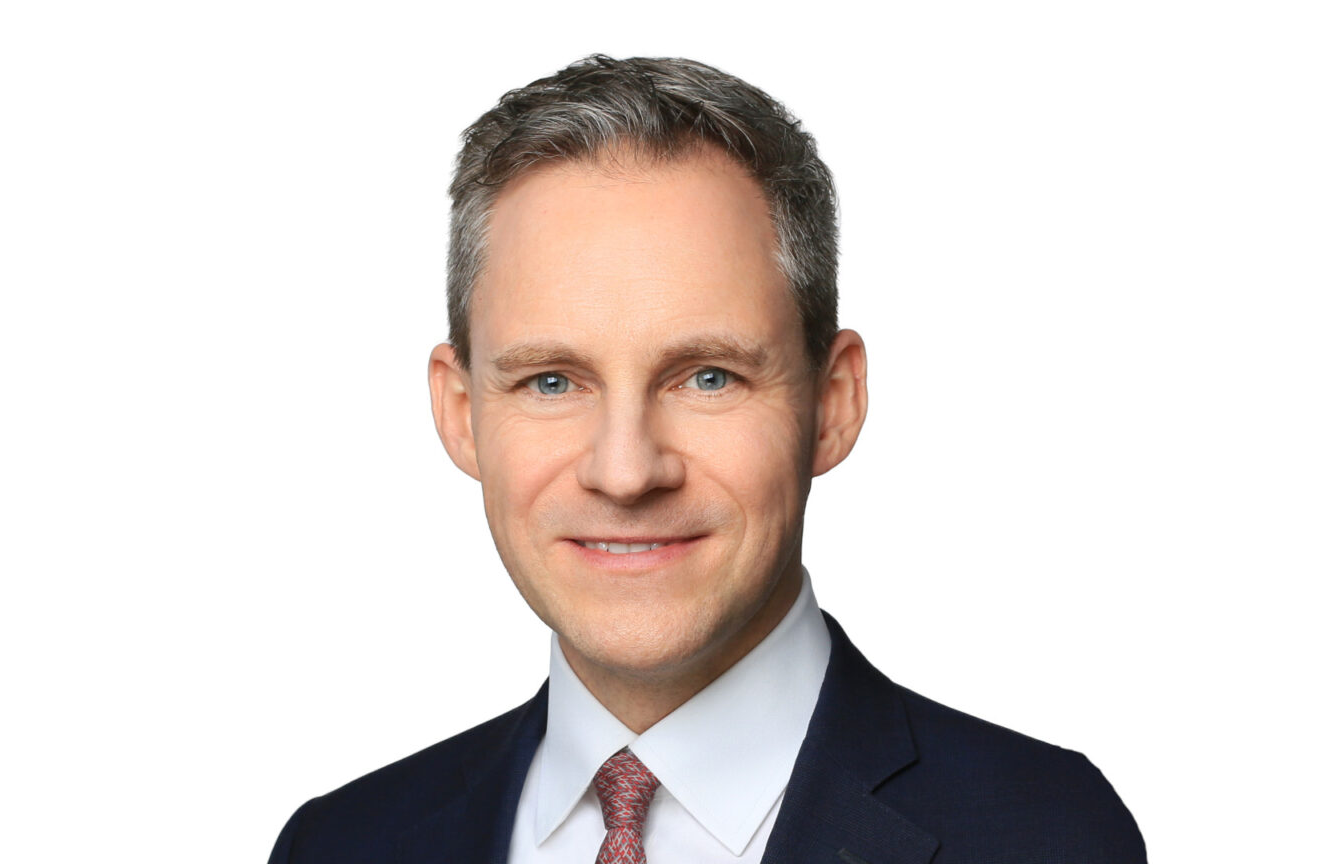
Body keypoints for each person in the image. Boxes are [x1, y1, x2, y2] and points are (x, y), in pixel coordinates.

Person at [268, 55, 1146, 864]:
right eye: (551, 381)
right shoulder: (338, 845)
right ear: (462, 417)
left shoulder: (1051, 836)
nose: (625, 472)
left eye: (708, 377)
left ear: (833, 404)